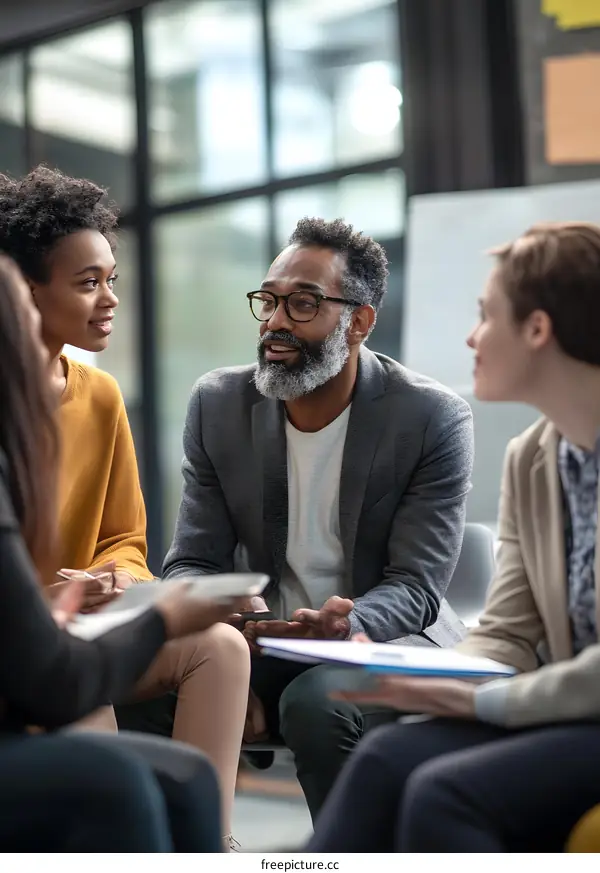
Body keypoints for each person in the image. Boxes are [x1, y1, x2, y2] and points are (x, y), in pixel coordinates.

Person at [158, 216, 474, 819]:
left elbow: (417, 585)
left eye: (303, 304)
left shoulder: (431, 417)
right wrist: (227, 644)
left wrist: (347, 624)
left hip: (377, 640)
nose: (275, 323)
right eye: (269, 302)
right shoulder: (218, 405)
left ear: (358, 322)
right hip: (259, 643)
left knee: (317, 702)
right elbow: (191, 563)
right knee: (139, 685)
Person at [308, 221, 600, 853]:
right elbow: (510, 630)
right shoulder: (534, 459)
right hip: (572, 712)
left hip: (582, 712)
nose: (472, 337)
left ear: (538, 329)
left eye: (485, 315)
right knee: (387, 755)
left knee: (446, 792)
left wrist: (486, 705)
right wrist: (441, 682)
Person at [0, 167, 249, 849]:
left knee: (220, 647)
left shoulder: (101, 397)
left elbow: (127, 539)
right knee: (95, 737)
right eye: (87, 283)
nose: (109, 299)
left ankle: (212, 844)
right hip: (33, 645)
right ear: (23, 292)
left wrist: (114, 577)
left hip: (88, 622)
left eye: (112, 278)